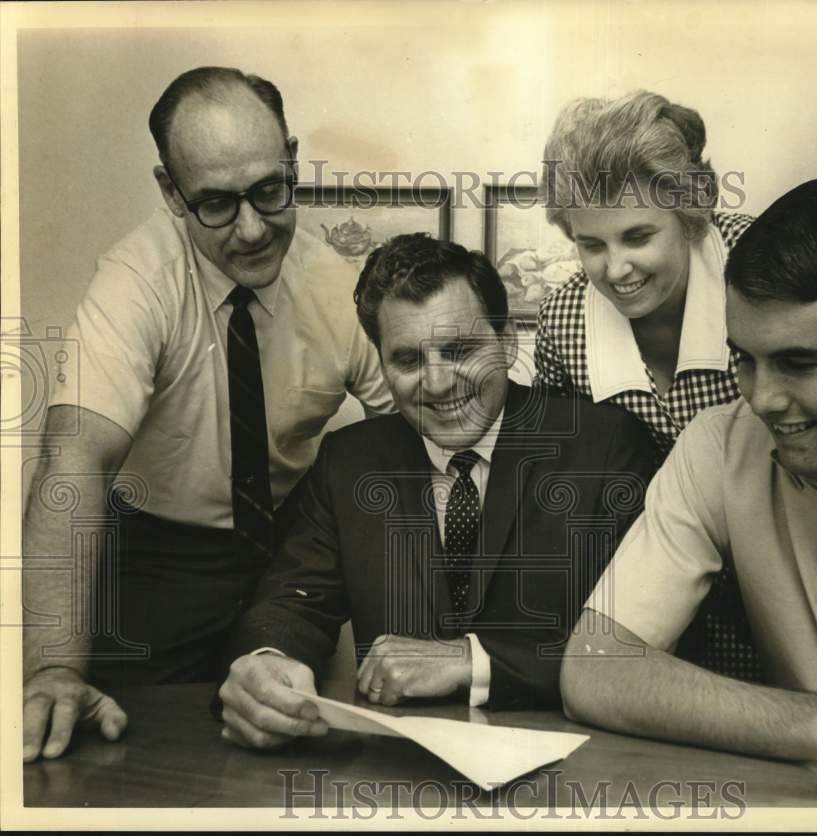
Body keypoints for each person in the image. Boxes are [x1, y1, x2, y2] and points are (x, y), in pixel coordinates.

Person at [561, 176, 817, 807]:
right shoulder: (717, 446)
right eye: (744, 360)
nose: (762, 399)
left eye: (799, 363)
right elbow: (595, 666)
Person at [22, 66, 393, 762]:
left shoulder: (338, 289)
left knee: (286, 741)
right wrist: (53, 669)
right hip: (158, 560)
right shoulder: (135, 281)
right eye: (217, 204)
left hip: (290, 560)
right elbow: (72, 460)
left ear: (291, 156)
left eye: (269, 191)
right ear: (171, 191)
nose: (253, 229)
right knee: (131, 755)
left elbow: (409, 443)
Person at [217, 234, 656, 749]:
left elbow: (643, 648)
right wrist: (266, 664)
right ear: (381, 365)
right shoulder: (349, 462)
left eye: (460, 350)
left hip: (571, 776)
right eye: (408, 360)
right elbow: (290, 605)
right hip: (395, 778)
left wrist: (473, 661)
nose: (439, 383)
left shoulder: (603, 447)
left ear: (507, 342)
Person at [535, 89, 758, 680]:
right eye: (592, 244)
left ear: (690, 216)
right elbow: (567, 500)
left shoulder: (757, 266)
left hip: (785, 585)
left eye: (637, 236)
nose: (616, 269)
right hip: (645, 609)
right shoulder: (563, 324)